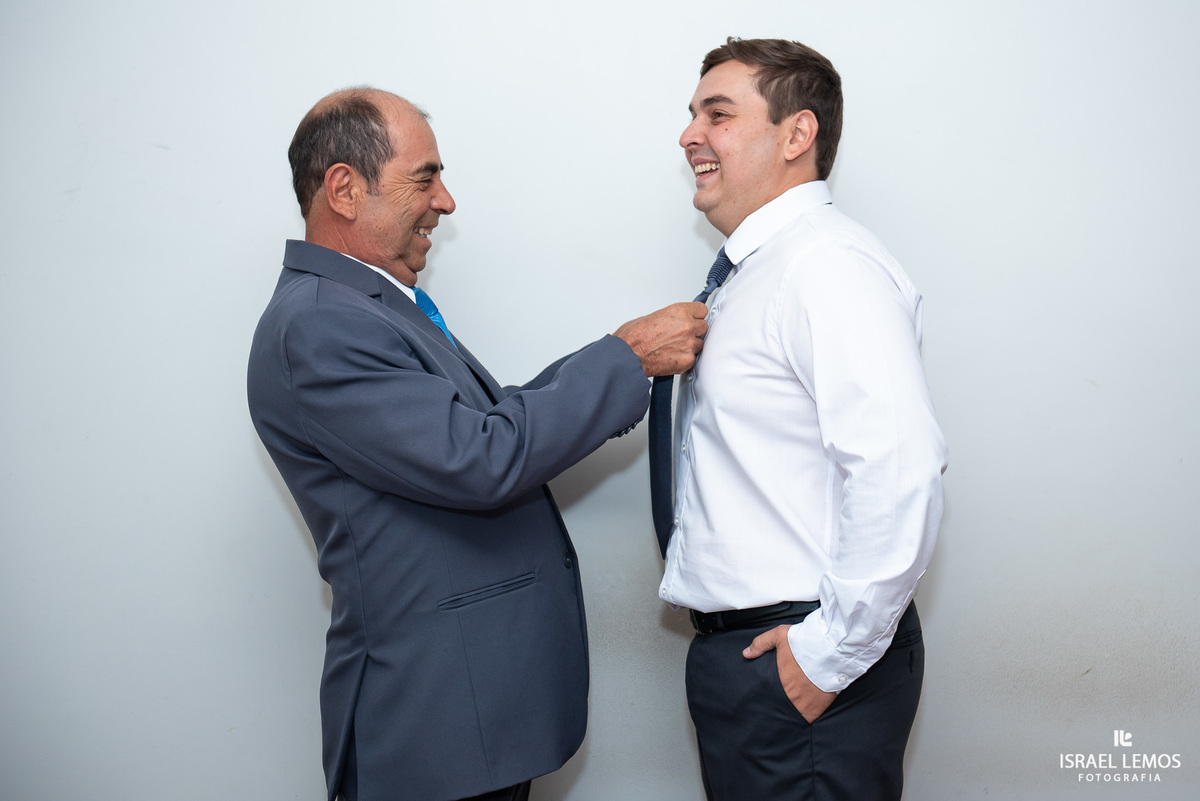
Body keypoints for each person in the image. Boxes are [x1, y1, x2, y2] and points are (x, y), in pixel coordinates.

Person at [247, 87, 708, 801]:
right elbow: (481, 457)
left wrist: (618, 354)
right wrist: (627, 360)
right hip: (436, 723)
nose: (447, 201)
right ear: (344, 188)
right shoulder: (320, 326)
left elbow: (489, 421)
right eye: (425, 177)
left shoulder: (362, 307)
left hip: (465, 715)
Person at [654, 38, 948, 800]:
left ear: (797, 135)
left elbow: (898, 466)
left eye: (718, 114)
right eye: (692, 115)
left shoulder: (825, 266)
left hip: (803, 658)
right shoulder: (763, 272)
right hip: (760, 660)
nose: (690, 134)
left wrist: (826, 656)